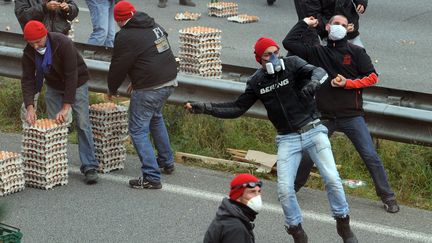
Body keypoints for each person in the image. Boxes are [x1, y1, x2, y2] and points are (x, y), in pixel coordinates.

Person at [185, 37, 357, 243]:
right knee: (285, 190)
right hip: (287, 138)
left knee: (332, 179)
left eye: (276, 52)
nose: (274, 57)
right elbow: (237, 108)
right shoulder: (257, 81)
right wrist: (205, 108)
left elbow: (320, 72)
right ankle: (297, 232)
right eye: (268, 54)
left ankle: (343, 223)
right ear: (259, 59)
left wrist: (312, 84)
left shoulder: (292, 64)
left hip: (312, 129)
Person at [283, 15, 400, 213]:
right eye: (336, 24)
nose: (339, 27)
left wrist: (348, 83)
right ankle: (292, 190)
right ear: (327, 27)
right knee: (307, 155)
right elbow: (289, 43)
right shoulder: (317, 52)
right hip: (323, 116)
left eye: (344, 25)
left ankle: (388, 196)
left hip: (351, 116)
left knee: (370, 155)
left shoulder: (356, 52)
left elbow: (372, 77)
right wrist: (305, 23)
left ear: (349, 29)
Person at [108, 1, 177, 189]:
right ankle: (166, 161)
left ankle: (151, 176)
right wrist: (138, 77)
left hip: (150, 87)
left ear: (119, 20)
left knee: (138, 130)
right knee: (155, 117)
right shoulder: (151, 24)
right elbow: (155, 48)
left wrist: (112, 89)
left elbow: (119, 65)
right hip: (169, 80)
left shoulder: (125, 35)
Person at [21, 20, 99, 184]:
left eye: (38, 42)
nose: (35, 46)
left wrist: (66, 106)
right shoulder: (29, 51)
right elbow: (28, 79)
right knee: (54, 126)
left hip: (76, 82)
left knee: (83, 123)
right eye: (31, 43)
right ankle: (56, 164)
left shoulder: (62, 43)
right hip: (53, 84)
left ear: (45, 35)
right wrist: (30, 106)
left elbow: (72, 75)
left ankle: (89, 166)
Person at [204, 173, 263, 243]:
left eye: (259, 191)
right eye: (252, 192)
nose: (257, 196)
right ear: (238, 196)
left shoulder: (228, 214)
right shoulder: (236, 228)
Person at [299, 0, 367, 47]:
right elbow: (313, 16)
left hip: (352, 33)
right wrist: (341, 28)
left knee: (360, 60)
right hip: (330, 37)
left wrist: (361, 2)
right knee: (337, 63)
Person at [14, 0, 79, 35]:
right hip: (37, 39)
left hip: (60, 37)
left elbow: (74, 10)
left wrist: (68, 8)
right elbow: (22, 16)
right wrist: (44, 7)